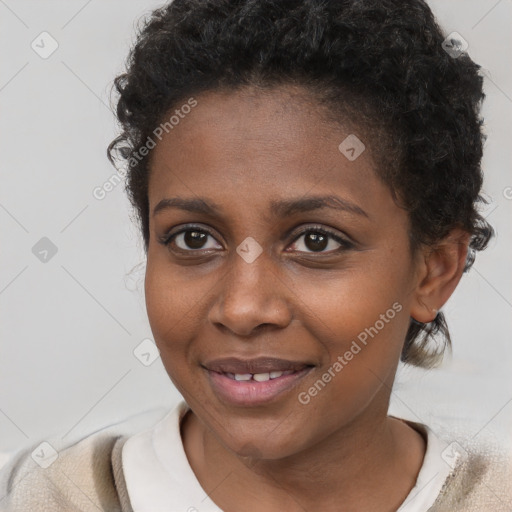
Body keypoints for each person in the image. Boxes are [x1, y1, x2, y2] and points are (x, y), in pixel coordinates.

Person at [1, 0, 510, 510]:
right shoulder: (43, 496)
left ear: (433, 271)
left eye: (317, 241)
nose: (243, 309)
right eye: (193, 239)